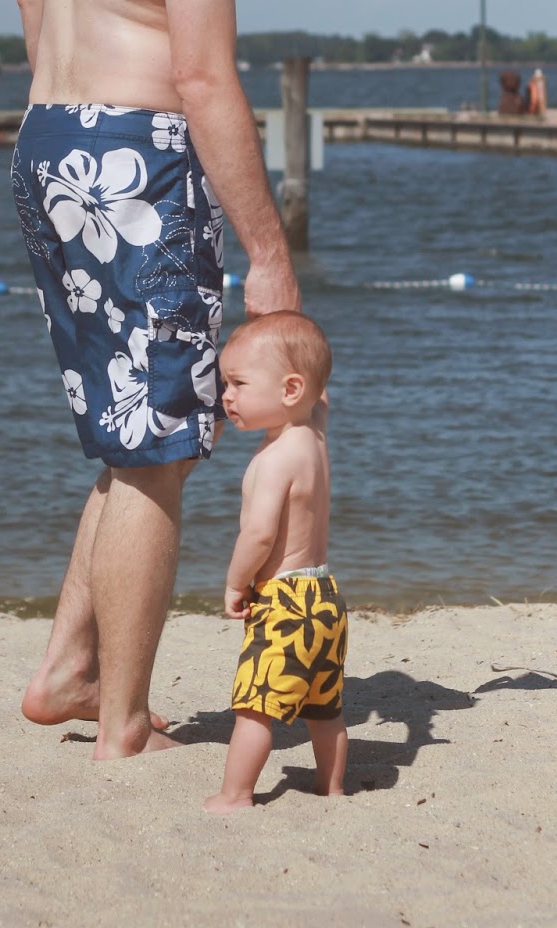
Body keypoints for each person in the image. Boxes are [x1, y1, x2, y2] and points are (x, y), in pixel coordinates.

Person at [11, 0, 361, 760]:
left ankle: (68, 671)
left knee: (132, 438)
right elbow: (205, 79)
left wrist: (73, 122)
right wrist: (270, 252)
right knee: (161, 449)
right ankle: (121, 721)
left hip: (49, 141)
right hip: (135, 158)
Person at [204, 311, 347, 811]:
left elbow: (260, 534)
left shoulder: (273, 460)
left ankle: (236, 794)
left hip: (284, 601)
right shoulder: (315, 435)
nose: (226, 396)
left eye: (239, 384)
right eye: (226, 383)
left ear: (289, 389)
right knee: (324, 709)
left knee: (255, 707)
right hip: (325, 597)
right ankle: (331, 788)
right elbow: (320, 394)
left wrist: (234, 583)